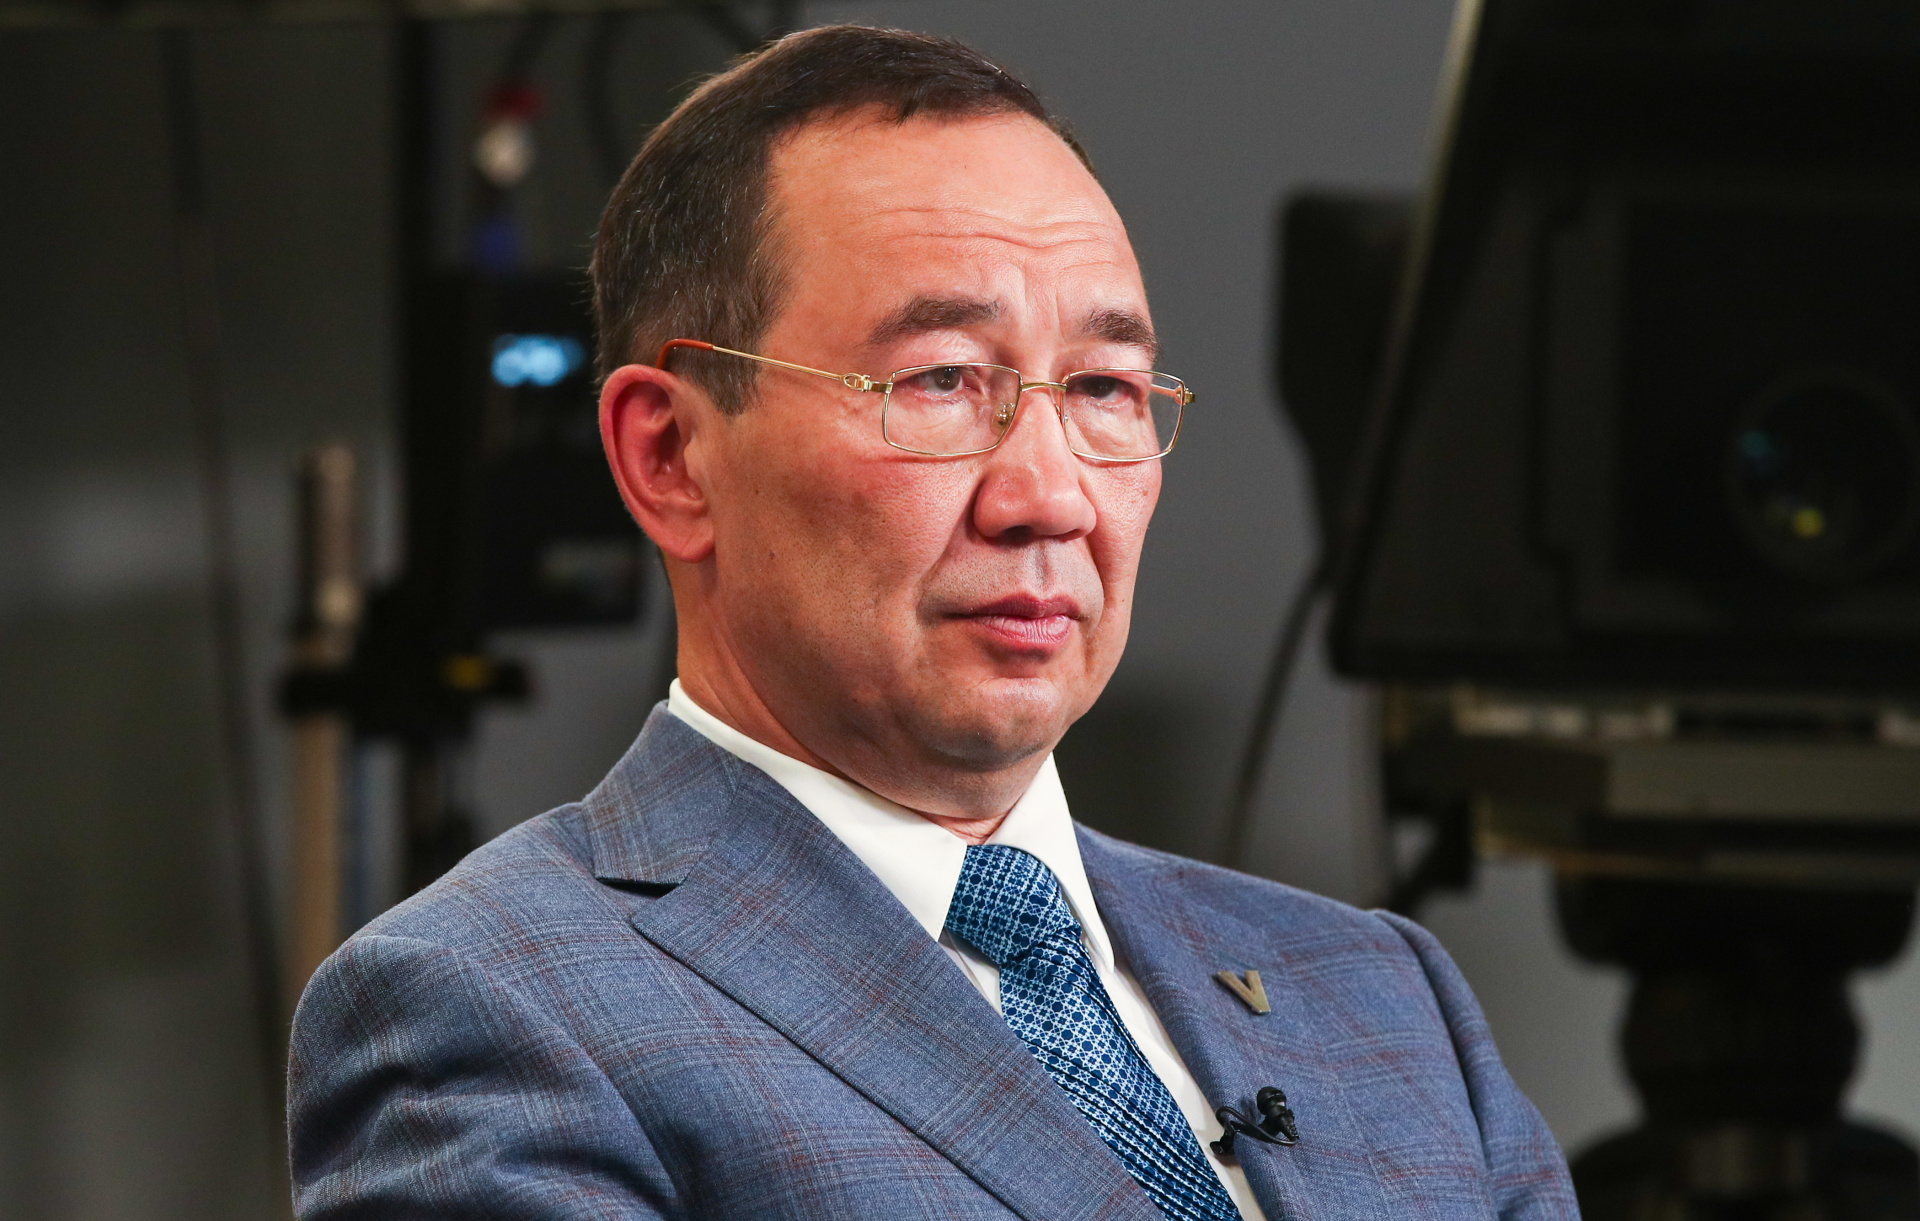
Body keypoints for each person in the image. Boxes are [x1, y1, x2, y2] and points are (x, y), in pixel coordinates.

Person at [288, 25, 1578, 1221]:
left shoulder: (1382, 996)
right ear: (670, 457)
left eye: (1105, 388)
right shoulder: (489, 1011)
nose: (1050, 496)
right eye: (942, 379)